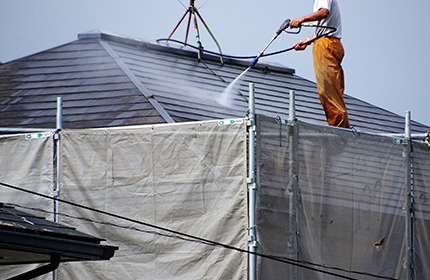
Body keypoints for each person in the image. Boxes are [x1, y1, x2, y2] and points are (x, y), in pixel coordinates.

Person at [290, 0, 350, 129]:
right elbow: (324, 27)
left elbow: (324, 13)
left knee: (328, 92)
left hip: (326, 44)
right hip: (326, 42)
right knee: (331, 90)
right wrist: (308, 40)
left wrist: (301, 19)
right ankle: (339, 130)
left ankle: (339, 133)